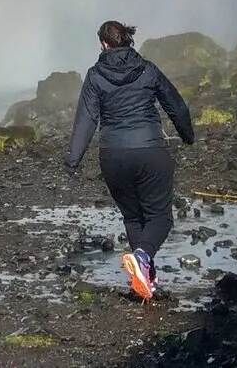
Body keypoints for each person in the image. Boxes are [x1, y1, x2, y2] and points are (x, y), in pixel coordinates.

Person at [64, 19, 195, 301]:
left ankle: (145, 283)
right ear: (128, 40)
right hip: (150, 151)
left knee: (133, 217)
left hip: (113, 157)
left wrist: (73, 159)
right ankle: (143, 256)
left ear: (104, 44)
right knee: (160, 216)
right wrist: (187, 136)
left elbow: (86, 120)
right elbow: (176, 105)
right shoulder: (147, 69)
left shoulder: (95, 75)